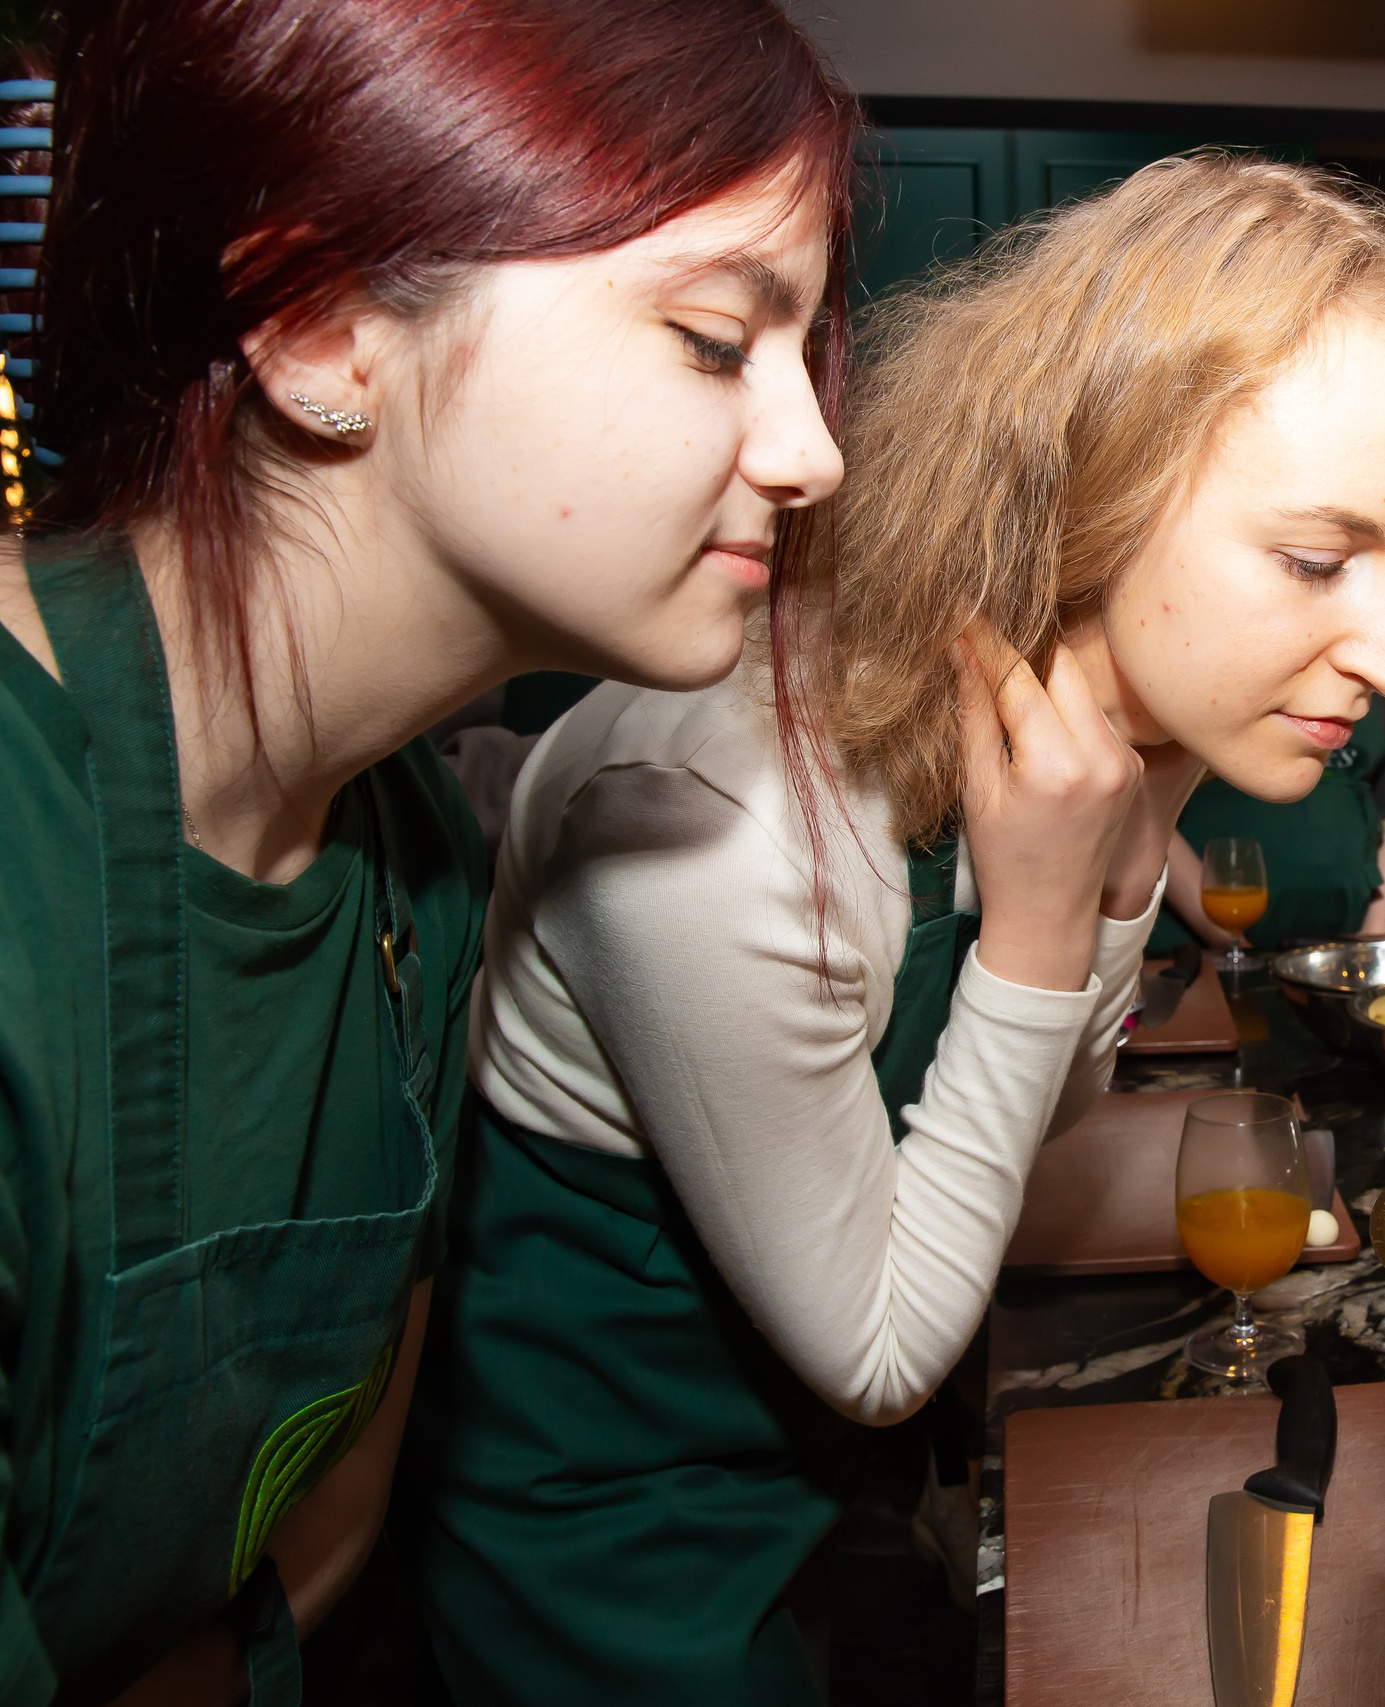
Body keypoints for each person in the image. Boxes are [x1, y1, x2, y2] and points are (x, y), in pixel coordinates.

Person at [400, 155, 1385, 1704]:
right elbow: (879, 1352)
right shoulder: (715, 824)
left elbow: (1025, 1137)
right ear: (1091, 492)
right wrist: (1051, 920)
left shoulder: (1046, 729)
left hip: (816, 1501)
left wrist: (1131, 842)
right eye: (1321, 560)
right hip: (613, 1549)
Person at [0, 1, 854, 1700]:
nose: (812, 454)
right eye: (709, 337)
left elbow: (327, 1522)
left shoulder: (412, 864)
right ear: (316, 325)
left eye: (806, 356)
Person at [1157, 695, 1385, 950]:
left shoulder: (1381, 691)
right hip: (1200, 945)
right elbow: (1151, 813)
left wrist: (1373, 933)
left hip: (1344, 944)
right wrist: (1226, 938)